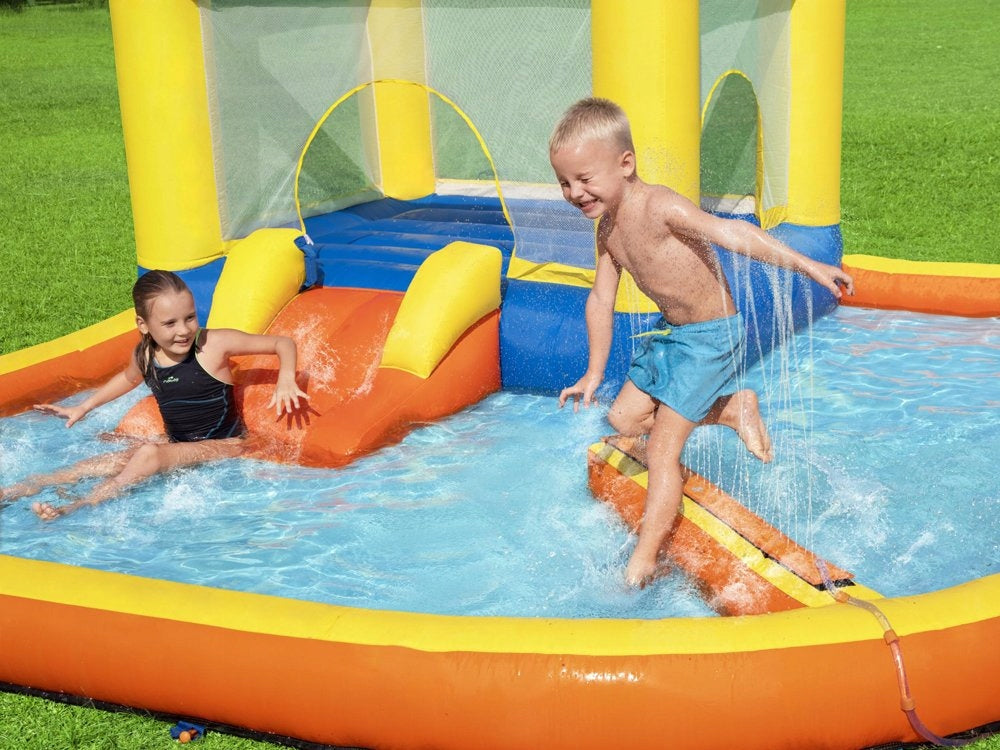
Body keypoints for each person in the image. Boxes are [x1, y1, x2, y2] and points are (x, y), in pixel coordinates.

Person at [550, 98, 854, 587]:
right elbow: (600, 300)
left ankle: (644, 560)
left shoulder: (660, 206)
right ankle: (732, 409)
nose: (574, 193)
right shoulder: (608, 231)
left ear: (625, 164)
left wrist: (808, 266)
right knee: (623, 419)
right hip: (675, 336)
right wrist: (593, 372)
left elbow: (732, 233)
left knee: (662, 450)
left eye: (584, 179)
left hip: (713, 337)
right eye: (564, 182)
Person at [1, 269, 307, 520]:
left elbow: (282, 343)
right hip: (177, 445)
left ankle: (77, 506)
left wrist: (285, 379)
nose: (183, 330)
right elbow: (127, 379)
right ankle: (17, 490)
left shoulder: (213, 344)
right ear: (143, 325)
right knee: (98, 464)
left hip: (225, 445)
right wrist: (83, 407)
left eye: (190, 317)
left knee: (148, 454)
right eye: (170, 323)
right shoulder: (146, 355)